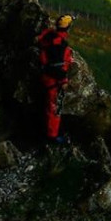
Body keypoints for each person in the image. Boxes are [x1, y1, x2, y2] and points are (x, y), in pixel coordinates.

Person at [37, 15, 75, 145]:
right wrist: (63, 81)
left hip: (45, 75)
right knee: (54, 107)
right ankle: (52, 136)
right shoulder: (60, 43)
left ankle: (49, 131)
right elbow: (57, 65)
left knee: (48, 105)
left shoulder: (49, 36)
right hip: (53, 79)